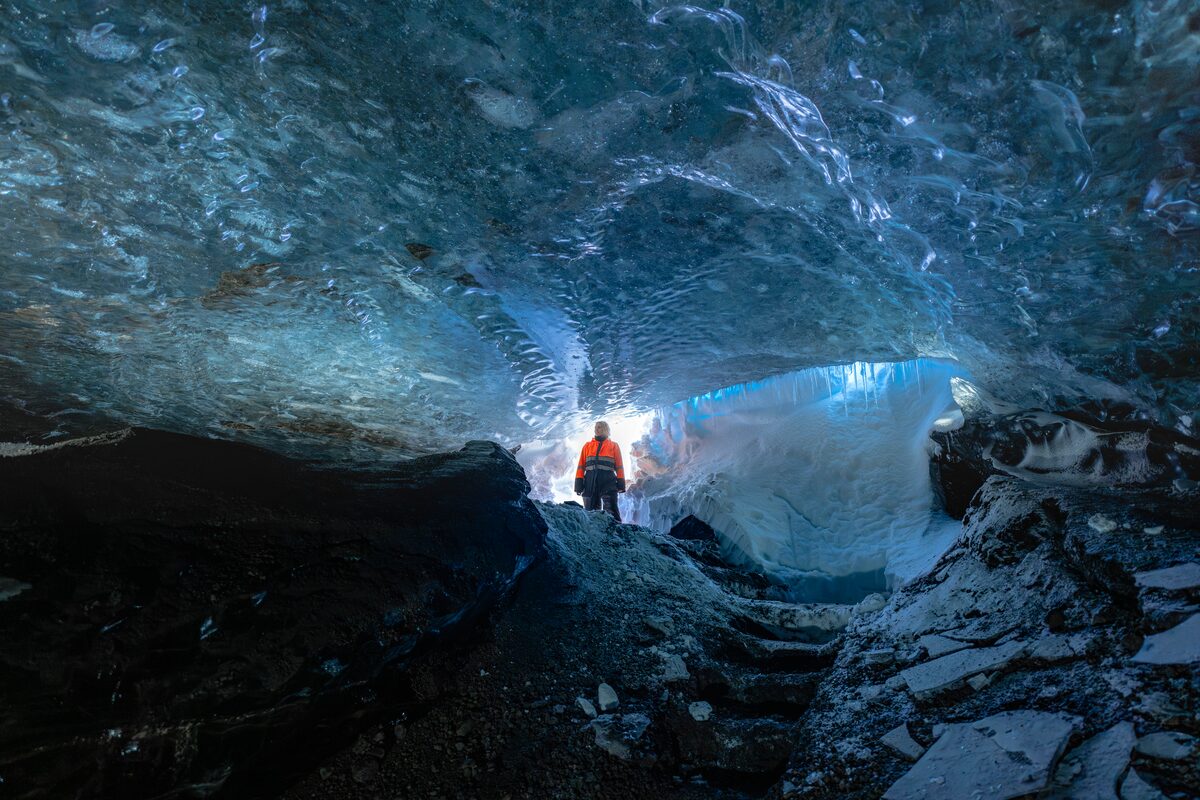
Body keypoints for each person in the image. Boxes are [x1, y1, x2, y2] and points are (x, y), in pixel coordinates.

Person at [574, 420, 625, 521]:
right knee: (590, 514)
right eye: (596, 427)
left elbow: (619, 466)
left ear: (606, 429)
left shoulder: (614, 446)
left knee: (612, 513)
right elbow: (581, 466)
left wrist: (621, 484)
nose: (596, 429)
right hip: (589, 483)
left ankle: (616, 534)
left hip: (608, 483)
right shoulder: (587, 446)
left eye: (599, 427)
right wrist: (578, 485)